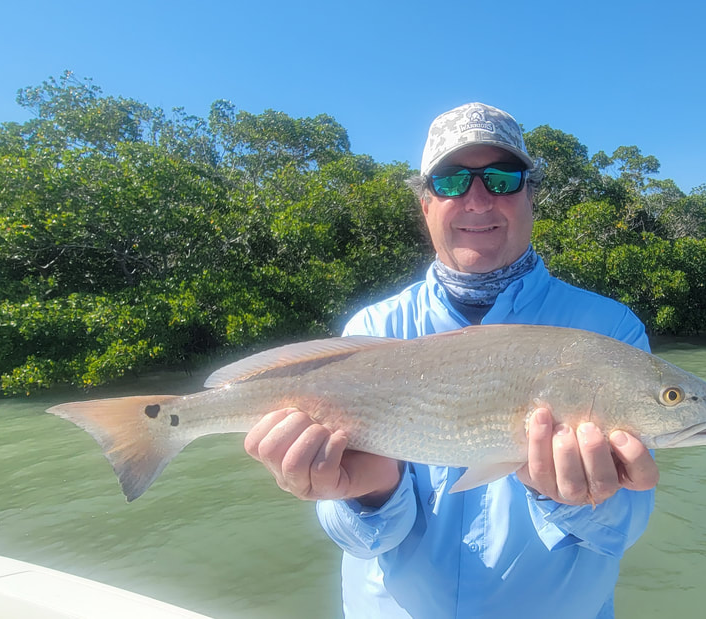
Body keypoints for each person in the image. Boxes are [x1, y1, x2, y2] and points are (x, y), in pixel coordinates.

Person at [244, 103, 660, 618]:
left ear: (531, 196)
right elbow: (362, 542)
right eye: (451, 181)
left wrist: (576, 497)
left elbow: (623, 529)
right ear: (425, 204)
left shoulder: (609, 329)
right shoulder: (373, 328)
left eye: (502, 179)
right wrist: (370, 494)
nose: (477, 200)